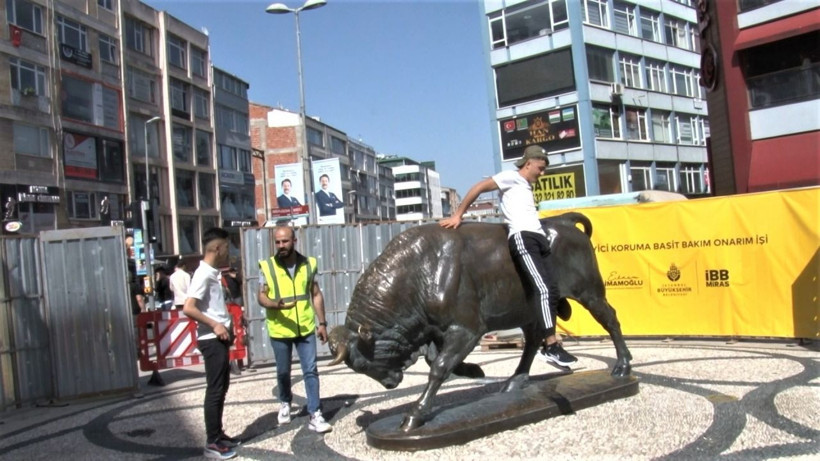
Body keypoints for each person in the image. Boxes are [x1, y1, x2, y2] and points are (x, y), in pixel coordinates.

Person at [440, 145, 577, 369]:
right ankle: (551, 345)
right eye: (540, 169)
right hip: (524, 238)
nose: (541, 174)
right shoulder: (510, 177)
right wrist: (458, 214)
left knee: (552, 289)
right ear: (529, 163)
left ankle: (549, 332)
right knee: (542, 289)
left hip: (539, 238)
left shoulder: (525, 185)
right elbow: (480, 187)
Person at [257, 226, 332, 433]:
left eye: (285, 241)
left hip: (305, 327)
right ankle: (285, 402)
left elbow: (315, 294)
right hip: (280, 328)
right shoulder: (267, 266)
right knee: (283, 371)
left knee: (311, 370)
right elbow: (260, 296)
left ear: (294, 240)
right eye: (278, 242)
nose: (281, 246)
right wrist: (274, 304)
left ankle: (315, 413)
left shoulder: (309, 264)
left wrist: (323, 323)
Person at [182, 227, 241, 459]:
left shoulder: (212, 272)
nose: (229, 251)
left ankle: (218, 434)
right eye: (227, 247)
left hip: (220, 337)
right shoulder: (203, 273)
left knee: (221, 388)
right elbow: (189, 307)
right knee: (215, 390)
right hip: (211, 340)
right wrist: (216, 326)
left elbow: (213, 306)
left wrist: (226, 325)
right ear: (217, 248)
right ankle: (212, 442)